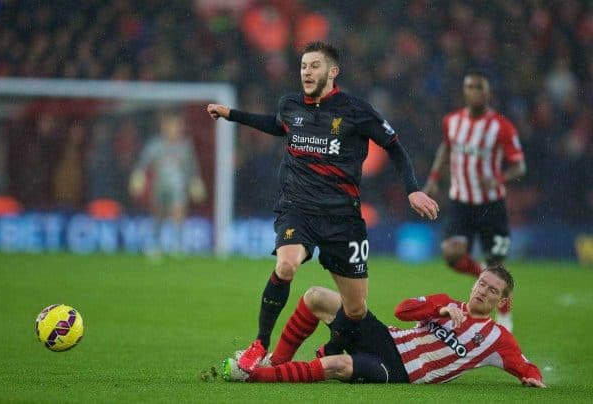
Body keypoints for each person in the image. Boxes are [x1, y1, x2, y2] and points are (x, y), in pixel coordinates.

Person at [207, 41, 439, 372]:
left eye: (314, 66)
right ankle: (260, 343)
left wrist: (413, 190)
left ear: (332, 72)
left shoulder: (356, 110)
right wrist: (232, 115)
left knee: (355, 309)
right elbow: (276, 124)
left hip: (343, 218)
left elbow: (394, 146)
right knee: (286, 265)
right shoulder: (290, 105)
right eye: (303, 66)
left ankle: (331, 349)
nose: (306, 72)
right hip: (298, 210)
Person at [222, 265, 545, 388]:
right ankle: (277, 361)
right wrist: (441, 310)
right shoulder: (447, 303)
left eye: (492, 290)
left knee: (336, 364)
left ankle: (252, 375)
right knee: (316, 296)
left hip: (400, 370)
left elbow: (526, 367)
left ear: (502, 301)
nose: (482, 291)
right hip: (385, 337)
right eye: (482, 283)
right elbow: (402, 311)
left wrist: (533, 379)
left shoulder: (497, 339)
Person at [422, 71, 526, 331]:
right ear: (464, 91)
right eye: (469, 87)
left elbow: (519, 166)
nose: (474, 92)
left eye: (479, 87)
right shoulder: (452, 121)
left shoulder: (501, 126)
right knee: (450, 253)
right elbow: (446, 148)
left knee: (497, 263)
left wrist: (499, 178)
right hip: (461, 201)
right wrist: (434, 178)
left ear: (487, 92)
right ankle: (482, 270)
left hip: (492, 204)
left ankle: (504, 315)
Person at [129, 110, 206, 254]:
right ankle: (155, 243)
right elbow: (143, 164)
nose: (177, 129)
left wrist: (195, 182)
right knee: (158, 214)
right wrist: (138, 176)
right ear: (165, 127)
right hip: (160, 185)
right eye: (174, 126)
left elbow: (191, 168)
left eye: (179, 126)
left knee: (178, 212)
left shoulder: (185, 147)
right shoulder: (155, 146)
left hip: (178, 186)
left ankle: (178, 244)